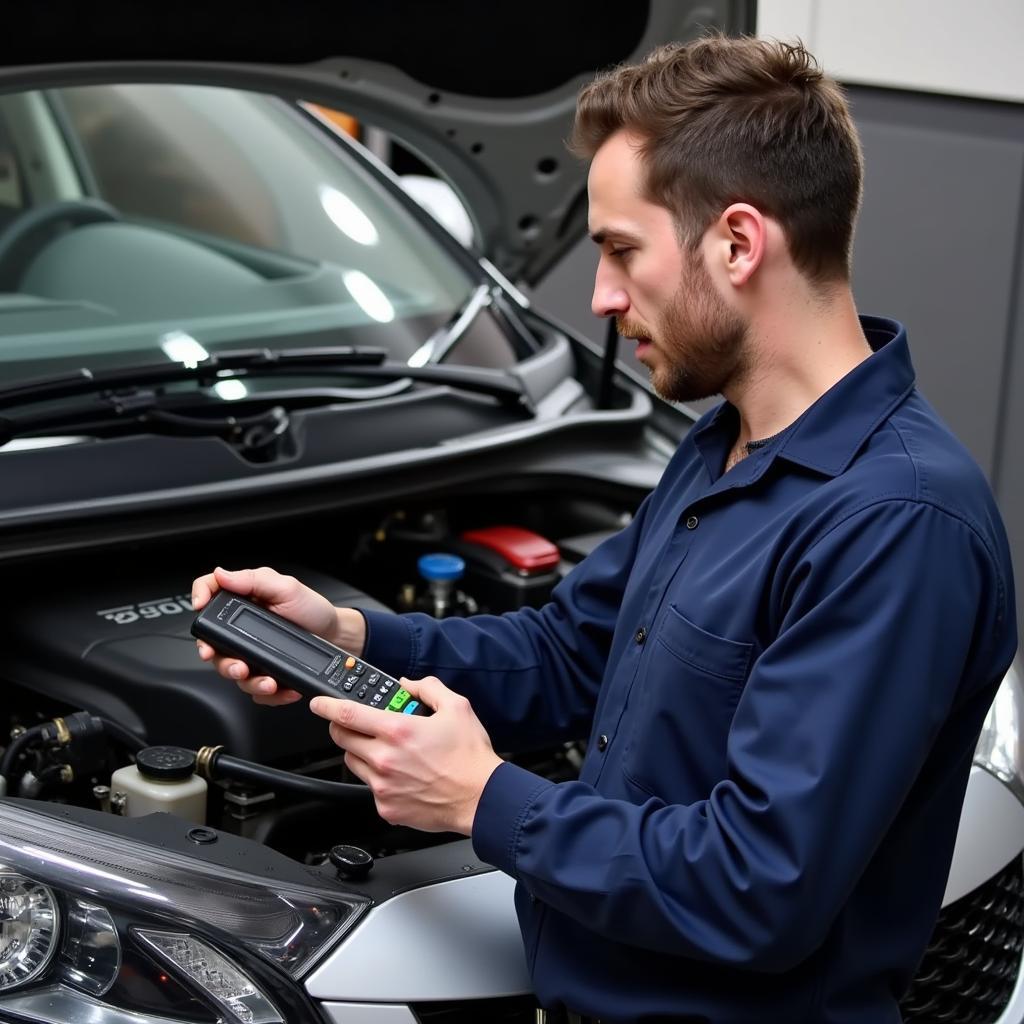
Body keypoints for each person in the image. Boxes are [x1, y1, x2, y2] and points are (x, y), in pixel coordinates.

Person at [192, 34, 1017, 1024]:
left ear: (739, 243)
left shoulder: (894, 524)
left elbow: (762, 885)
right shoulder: (727, 445)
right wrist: (358, 637)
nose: (600, 297)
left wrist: (484, 799)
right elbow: (575, 651)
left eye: (622, 250)